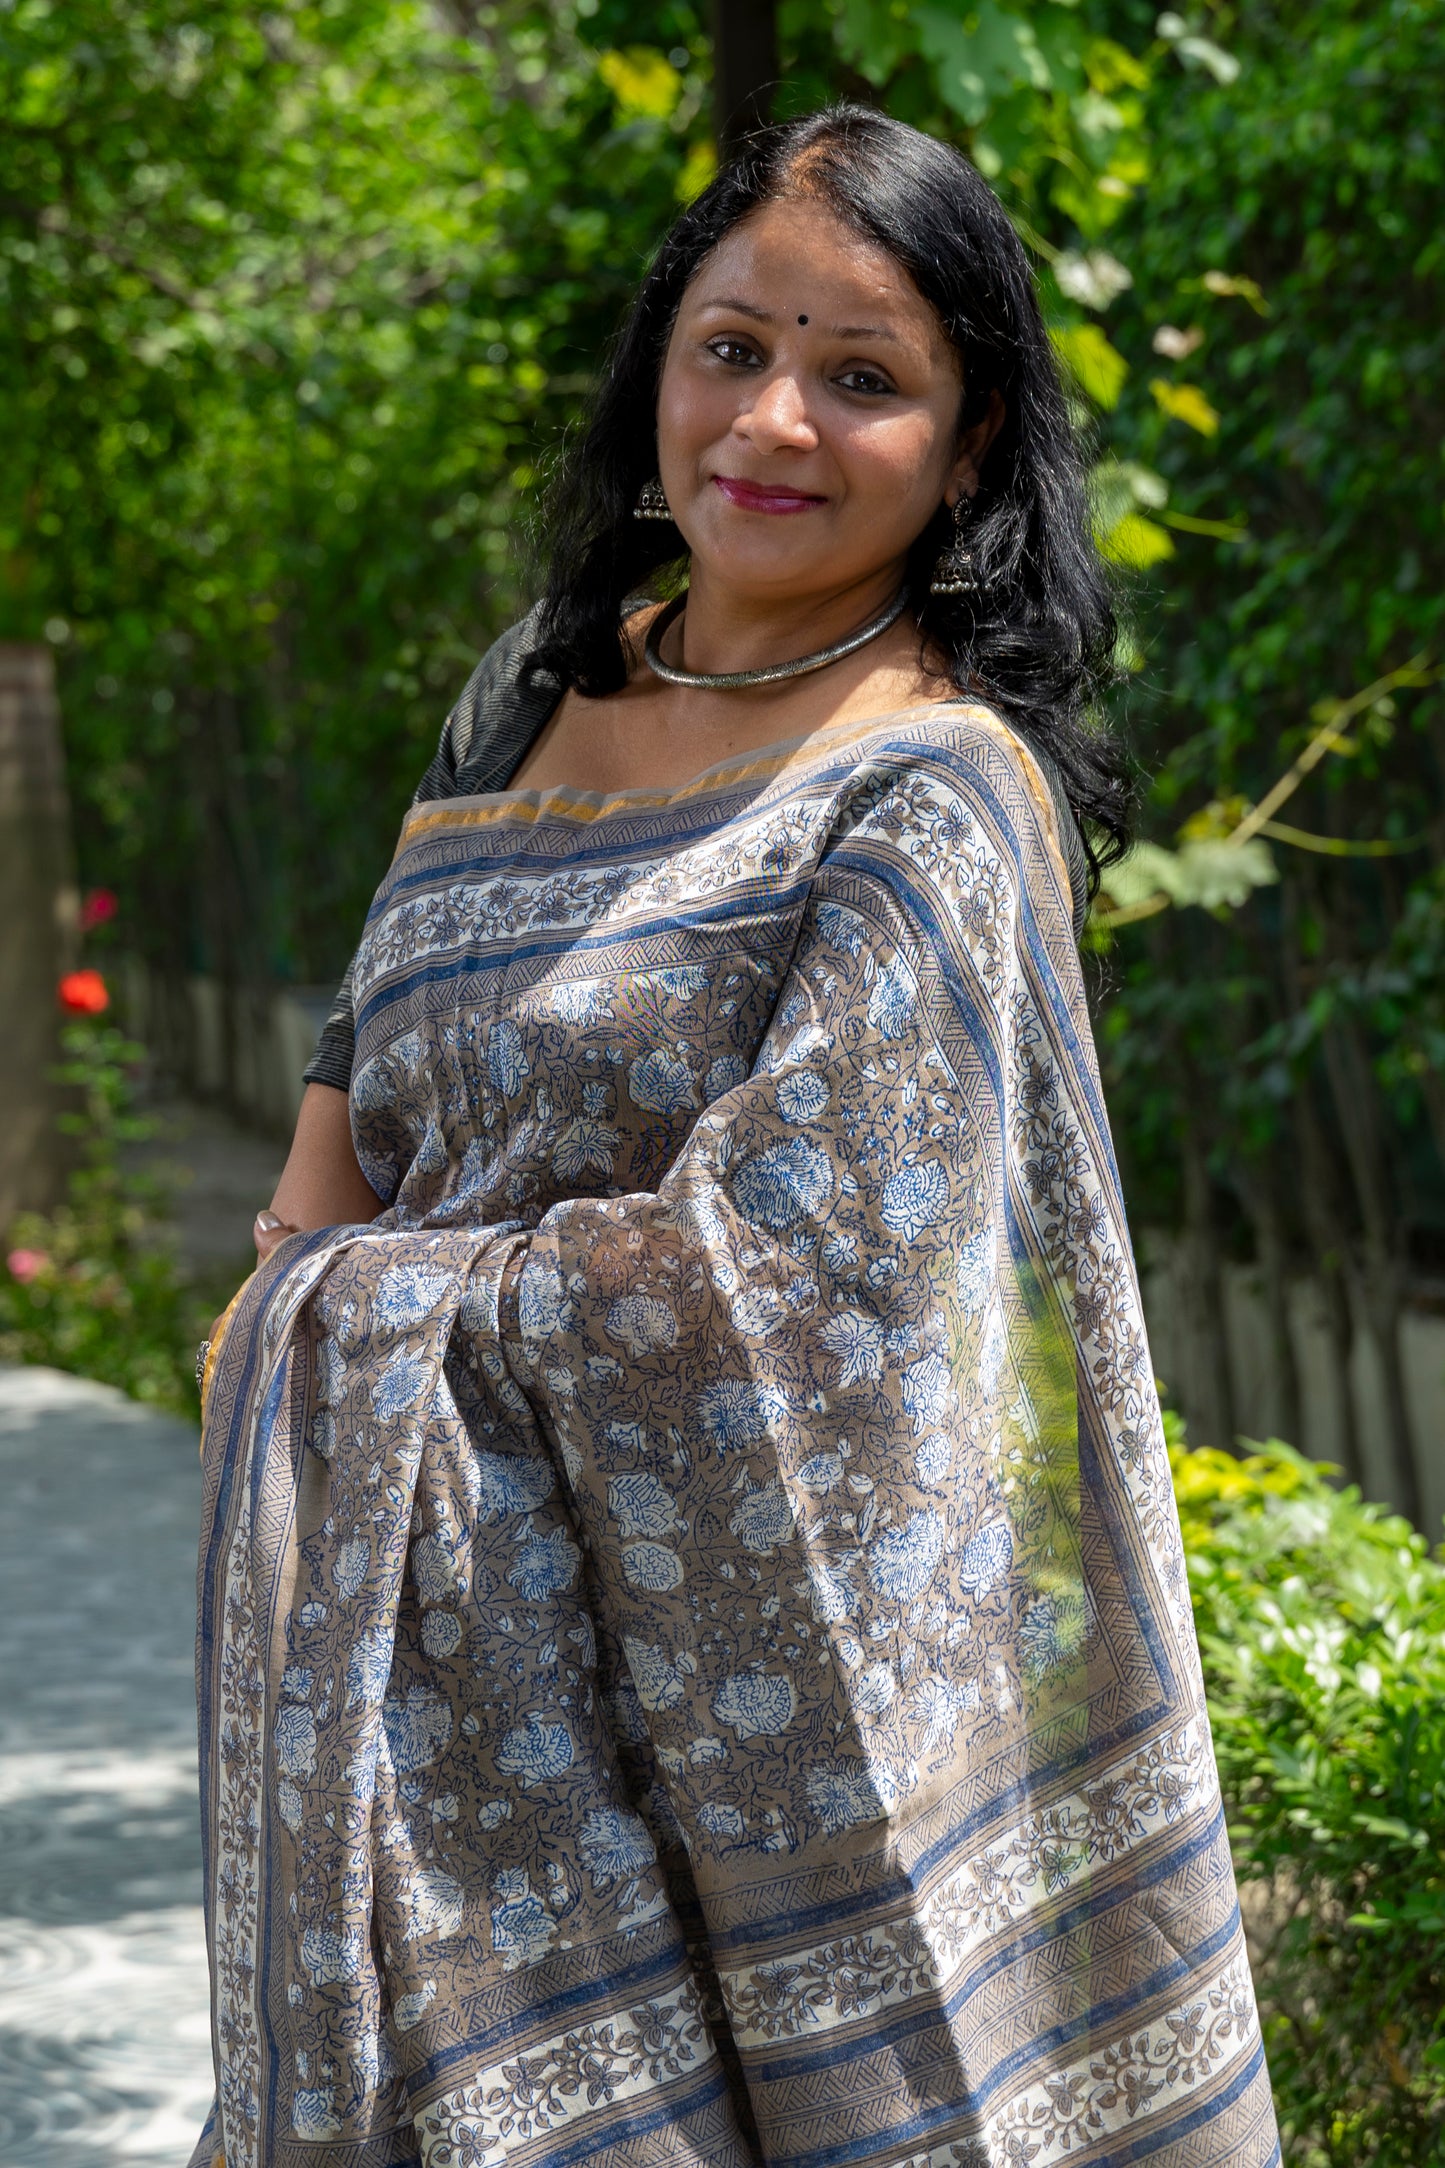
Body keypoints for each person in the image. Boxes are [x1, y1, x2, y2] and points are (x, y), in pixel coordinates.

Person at [191, 105, 1280, 2168]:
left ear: (966, 446)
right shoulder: (524, 692)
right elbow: (344, 1110)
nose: (771, 419)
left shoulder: (935, 797)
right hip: (421, 1724)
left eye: (864, 376)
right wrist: (297, 1311)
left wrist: (338, 1322)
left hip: (760, 1777)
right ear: (658, 368)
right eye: (729, 348)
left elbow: (777, 1299)